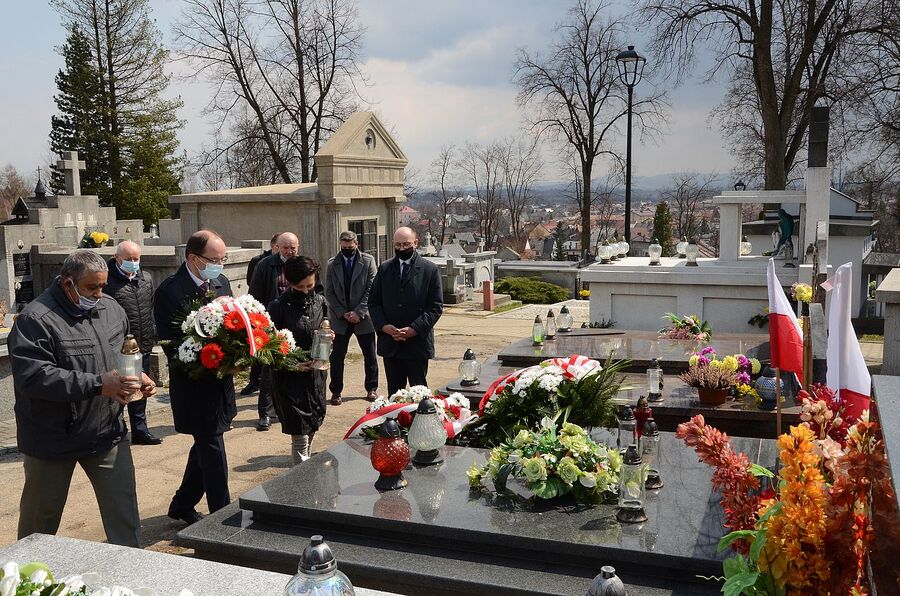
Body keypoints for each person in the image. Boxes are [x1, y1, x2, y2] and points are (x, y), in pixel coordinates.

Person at [10, 249, 156, 547]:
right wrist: (98, 385)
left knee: (124, 518)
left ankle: (130, 580)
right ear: (67, 284)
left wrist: (136, 373)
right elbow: (34, 378)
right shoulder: (36, 319)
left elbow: (124, 350)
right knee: (38, 528)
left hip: (106, 433)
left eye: (103, 286)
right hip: (51, 440)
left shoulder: (112, 308)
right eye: (92, 288)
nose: (100, 294)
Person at [154, 230, 236, 525]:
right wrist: (211, 361)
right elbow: (172, 348)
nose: (220, 265)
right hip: (194, 386)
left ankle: (182, 504)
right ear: (193, 258)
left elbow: (234, 324)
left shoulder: (221, 282)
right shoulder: (169, 292)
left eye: (223, 259)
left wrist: (236, 357)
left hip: (222, 383)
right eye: (214, 260)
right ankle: (222, 518)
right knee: (212, 448)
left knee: (205, 445)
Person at [267, 257, 333, 464]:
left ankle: (305, 469)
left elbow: (327, 328)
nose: (306, 291)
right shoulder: (277, 307)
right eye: (300, 286)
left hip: (316, 373)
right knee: (300, 432)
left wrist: (329, 337)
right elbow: (268, 350)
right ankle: (300, 479)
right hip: (289, 378)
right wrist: (293, 364)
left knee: (313, 423)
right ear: (289, 283)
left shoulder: (320, 302)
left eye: (310, 286)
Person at [369, 227, 443, 395]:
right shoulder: (385, 269)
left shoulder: (429, 270)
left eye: (406, 244)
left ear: (415, 243)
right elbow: (373, 302)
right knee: (394, 394)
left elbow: (435, 306)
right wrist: (383, 326)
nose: (402, 249)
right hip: (391, 343)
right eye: (398, 245)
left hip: (417, 344)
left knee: (420, 393)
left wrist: (414, 329)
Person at [104, 240, 161, 445]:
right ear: (117, 258)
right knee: (118, 389)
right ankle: (115, 430)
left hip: (141, 343)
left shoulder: (146, 279)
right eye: (128, 259)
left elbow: (151, 308)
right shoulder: (108, 282)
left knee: (140, 389)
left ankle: (140, 430)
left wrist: (151, 333)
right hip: (117, 347)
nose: (133, 262)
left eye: (136, 259)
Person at [249, 232, 299, 430]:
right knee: (268, 371)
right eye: (285, 248)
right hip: (270, 322)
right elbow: (255, 295)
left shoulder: (303, 264)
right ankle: (266, 413)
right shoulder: (265, 265)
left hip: (296, 322)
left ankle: (287, 410)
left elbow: (315, 290)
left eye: (292, 248)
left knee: (294, 370)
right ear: (277, 247)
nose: (289, 251)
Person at [324, 231, 379, 406]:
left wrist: (359, 312)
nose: (347, 249)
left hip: (363, 317)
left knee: (369, 355)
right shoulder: (332, 264)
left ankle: (371, 388)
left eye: (350, 246)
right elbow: (329, 291)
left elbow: (372, 289)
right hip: (341, 318)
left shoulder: (368, 261)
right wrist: (341, 312)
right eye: (344, 247)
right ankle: (336, 391)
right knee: (337, 356)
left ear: (357, 244)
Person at [241, 233, 280, 397]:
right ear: (273, 246)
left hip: (280, 312)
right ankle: (254, 380)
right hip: (263, 311)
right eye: (279, 247)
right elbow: (253, 284)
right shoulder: (259, 262)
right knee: (258, 350)